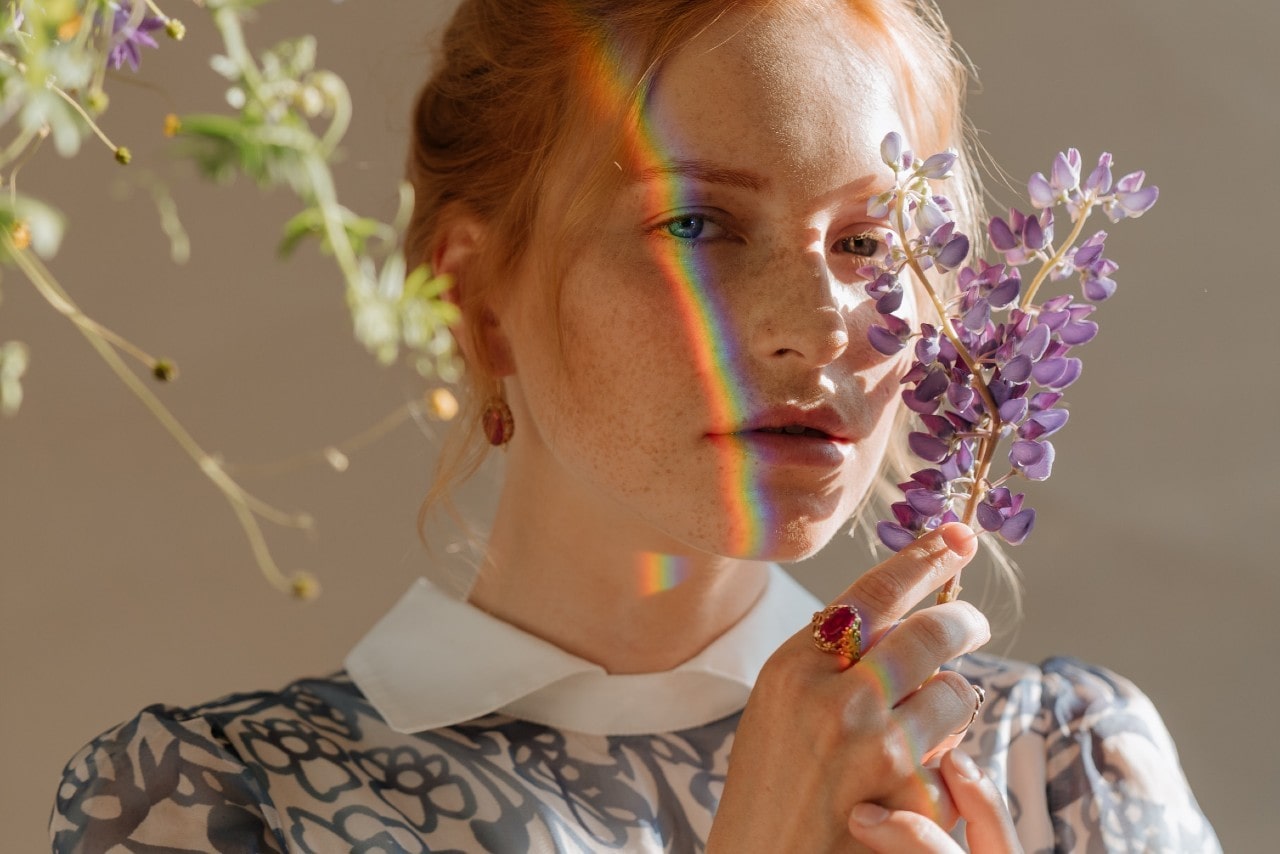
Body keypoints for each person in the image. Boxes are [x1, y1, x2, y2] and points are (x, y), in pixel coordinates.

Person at [49, 0, 1220, 851]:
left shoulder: (1060, 762)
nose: (815, 326)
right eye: (698, 225)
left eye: (868, 241)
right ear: (475, 297)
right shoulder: (222, 802)